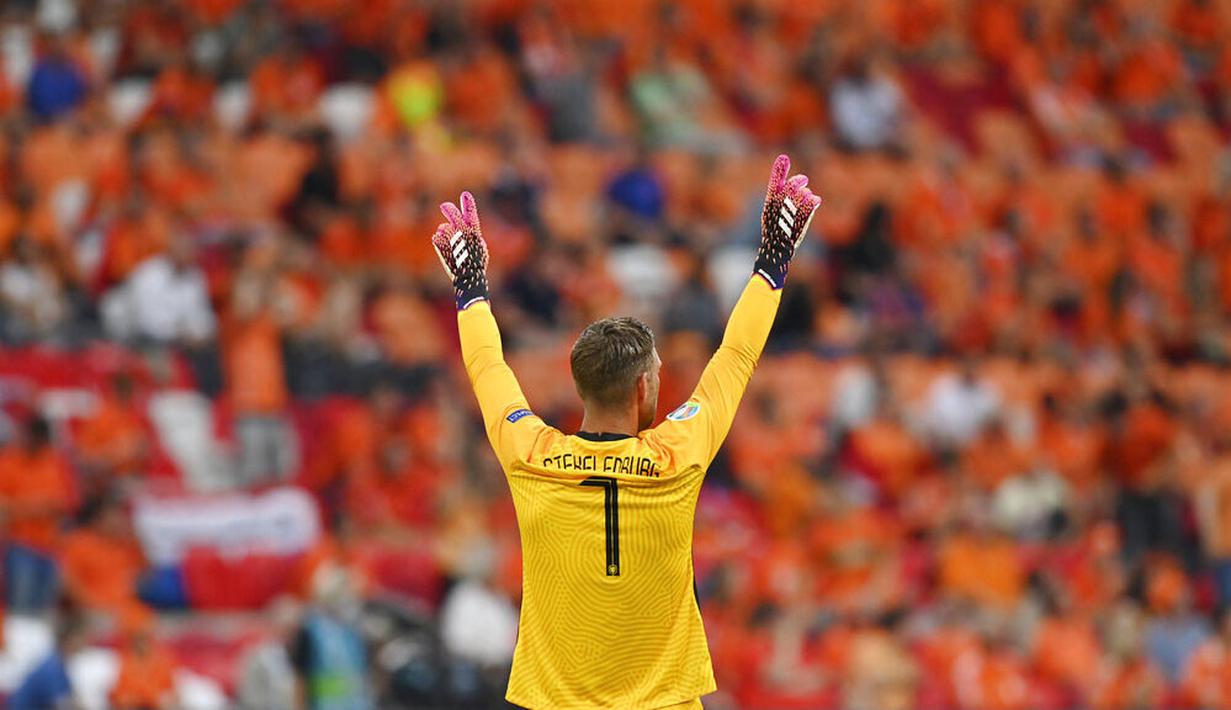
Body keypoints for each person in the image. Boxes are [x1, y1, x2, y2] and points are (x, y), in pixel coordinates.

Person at [432, 155, 820, 708]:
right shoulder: (678, 455)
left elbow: (488, 368)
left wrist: (470, 292)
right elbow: (735, 356)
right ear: (643, 389)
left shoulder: (531, 456)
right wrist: (772, 265)